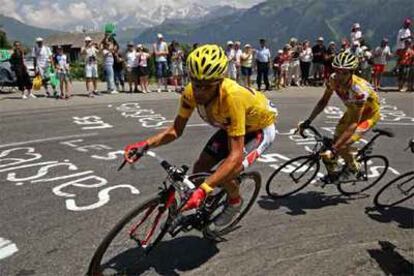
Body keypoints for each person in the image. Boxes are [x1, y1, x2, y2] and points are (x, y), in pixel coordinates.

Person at [124, 44, 278, 228]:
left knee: (228, 172)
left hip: (259, 129)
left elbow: (235, 156)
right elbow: (175, 130)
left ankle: (235, 201)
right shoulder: (190, 92)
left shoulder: (232, 97)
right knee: (200, 167)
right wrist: (145, 144)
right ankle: (209, 201)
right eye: (196, 84)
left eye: (207, 87)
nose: (199, 92)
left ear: (219, 82)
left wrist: (205, 189)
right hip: (232, 126)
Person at [298, 52, 381, 183]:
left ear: (352, 72)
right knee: (335, 143)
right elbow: (323, 101)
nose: (340, 76)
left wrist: (335, 149)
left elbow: (354, 123)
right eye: (337, 71)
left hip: (367, 116)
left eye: (345, 73)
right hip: (352, 110)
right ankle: (334, 174)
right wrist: (308, 121)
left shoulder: (359, 90)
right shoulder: (332, 79)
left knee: (340, 146)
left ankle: (355, 168)